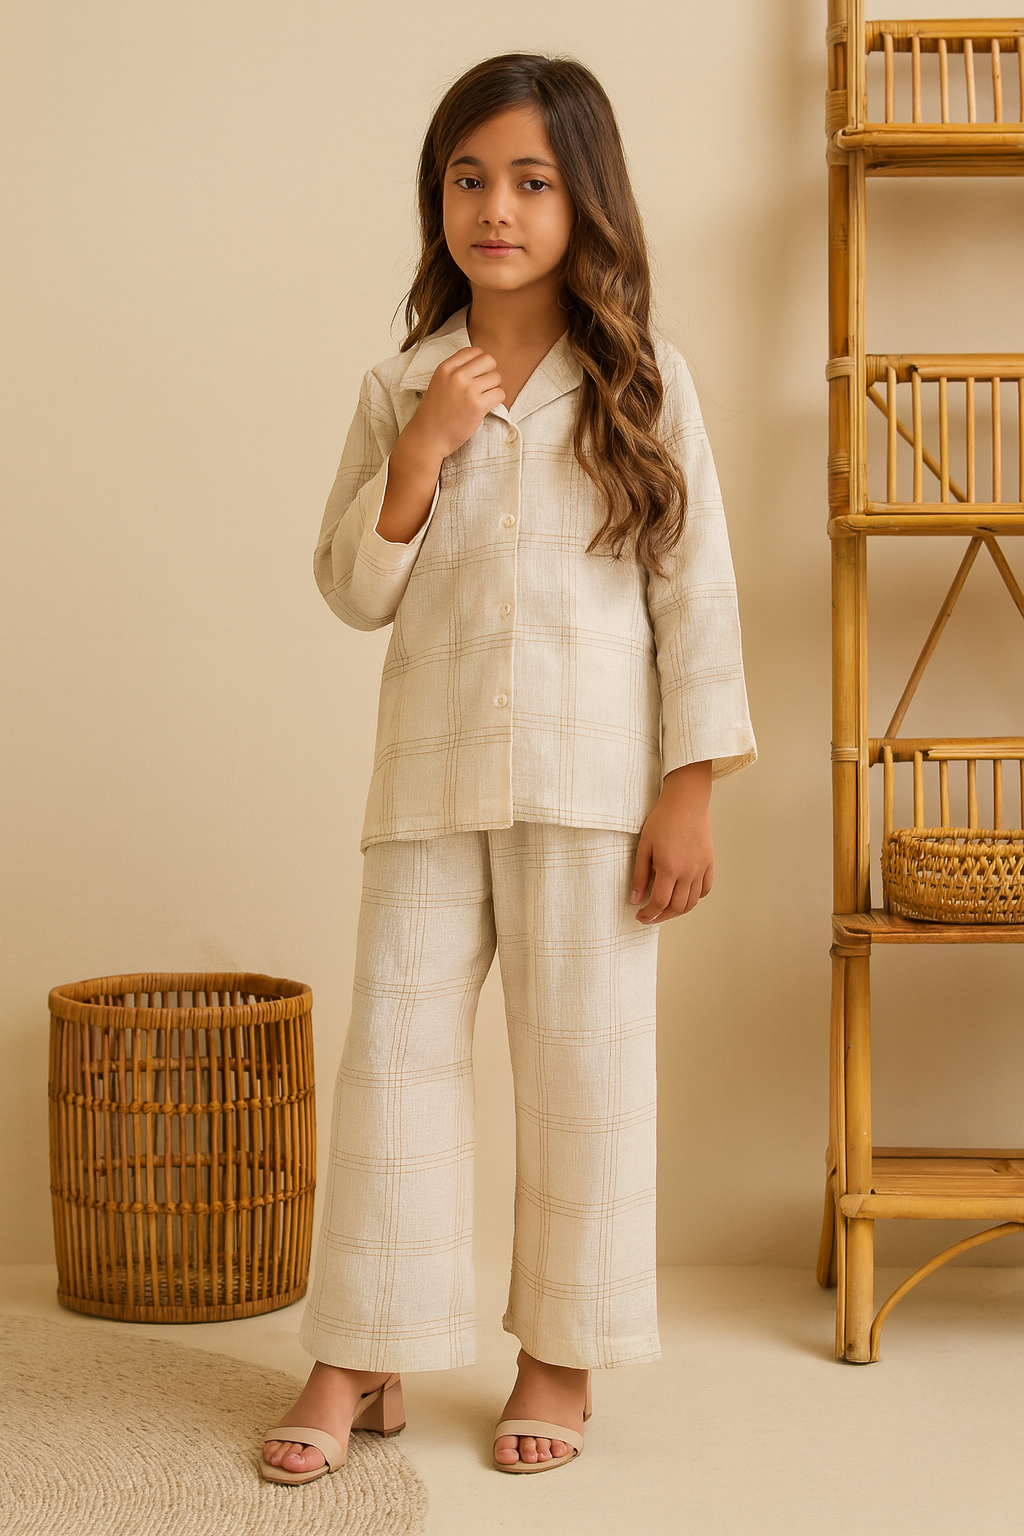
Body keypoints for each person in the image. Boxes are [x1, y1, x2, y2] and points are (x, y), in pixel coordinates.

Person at [261, 50, 755, 1483]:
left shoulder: (643, 383)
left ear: (585, 199)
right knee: (395, 1066)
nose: (497, 207)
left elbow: (696, 590)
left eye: (532, 181)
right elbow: (352, 590)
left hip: (596, 789)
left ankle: (560, 1352)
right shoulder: (404, 382)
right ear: (438, 200)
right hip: (428, 780)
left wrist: (689, 784)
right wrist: (422, 451)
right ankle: (361, 1350)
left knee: (583, 1071)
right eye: (469, 179)